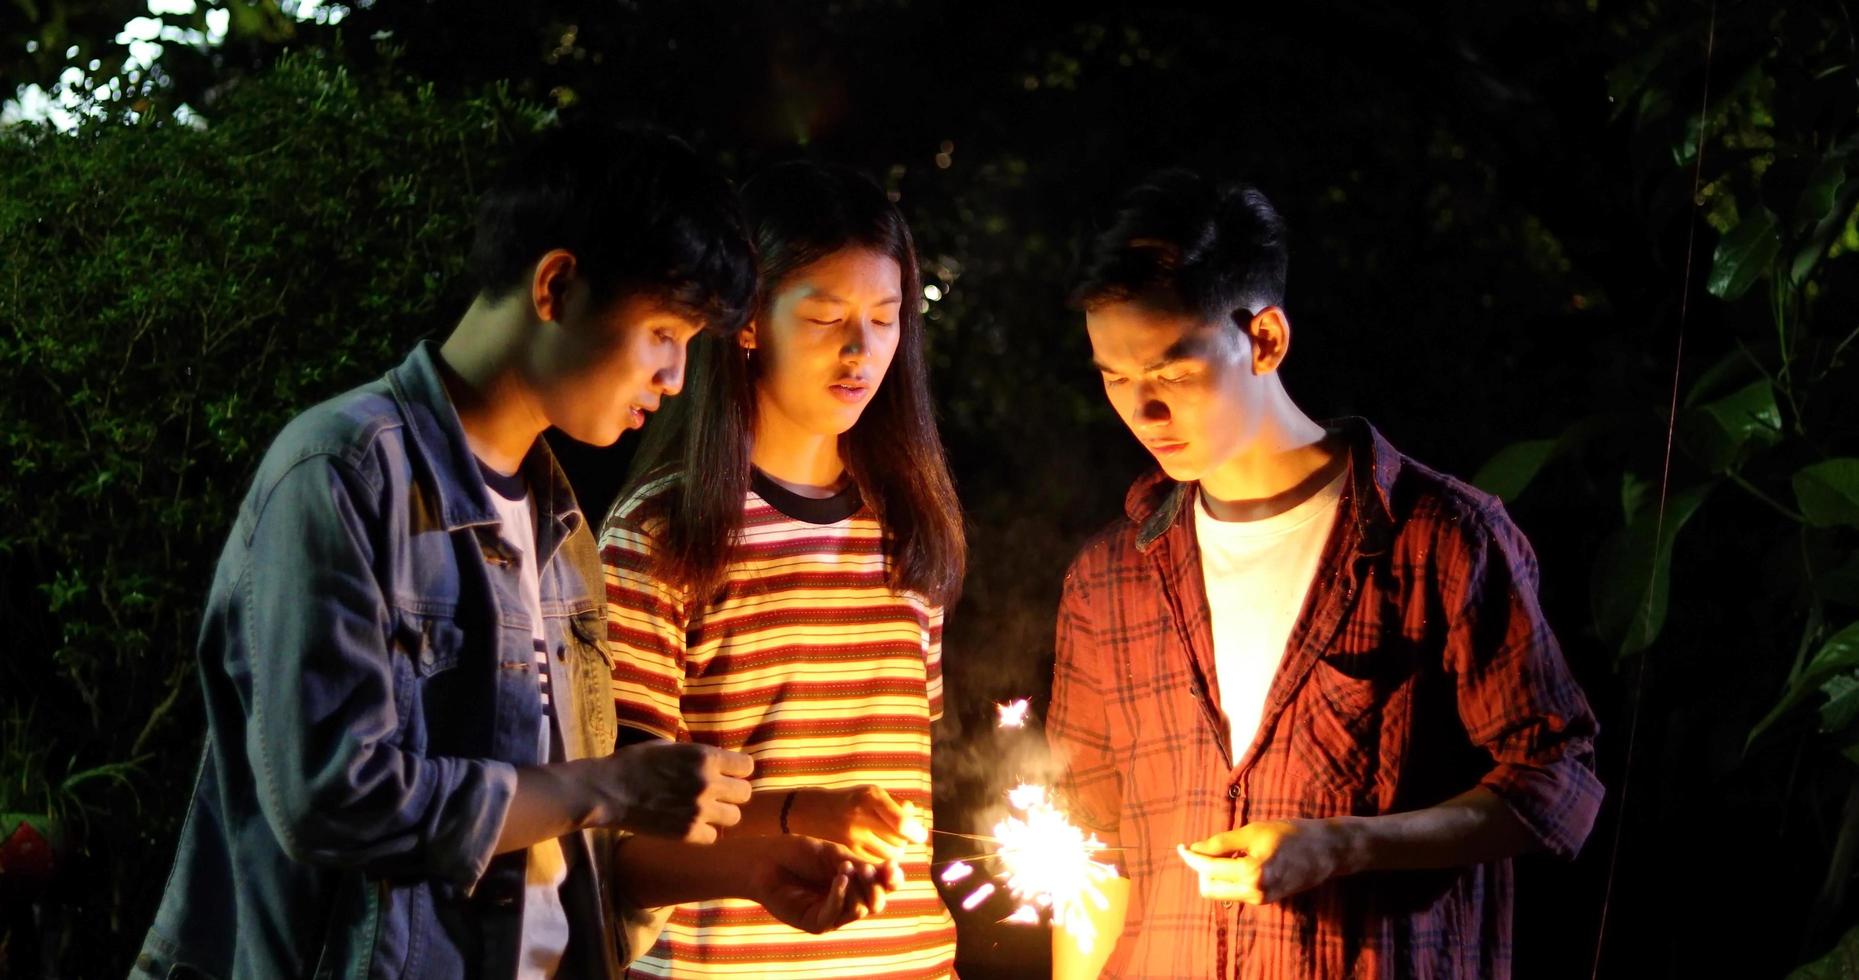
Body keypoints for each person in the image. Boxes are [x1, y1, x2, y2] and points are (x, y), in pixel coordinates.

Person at [131, 124, 890, 980]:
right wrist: (607, 786)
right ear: (557, 286)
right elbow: (333, 798)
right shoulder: (341, 473)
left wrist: (747, 870)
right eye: (662, 334)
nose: (675, 378)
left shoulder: (558, 524)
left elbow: (553, 847)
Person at [1045, 170, 1604, 978]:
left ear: (1265, 340)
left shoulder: (1440, 539)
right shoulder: (1109, 579)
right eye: (1113, 378)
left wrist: (1344, 845)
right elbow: (1088, 850)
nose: (1143, 411)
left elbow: (1555, 783)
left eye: (1170, 372)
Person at [602, 160, 967, 978]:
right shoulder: (662, 534)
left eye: (884, 317)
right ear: (747, 322)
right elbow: (620, 827)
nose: (859, 349)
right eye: (826, 316)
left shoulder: (906, 531)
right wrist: (800, 818)